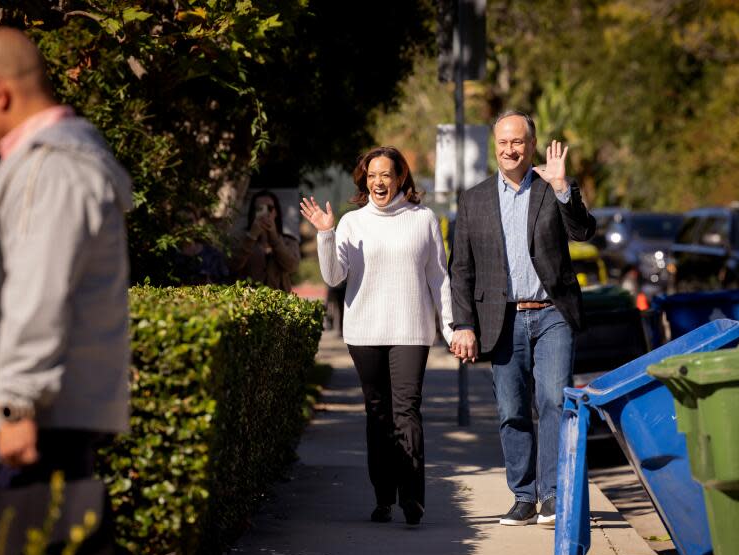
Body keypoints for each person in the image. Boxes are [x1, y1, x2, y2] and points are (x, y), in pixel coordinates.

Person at [0, 27, 132, 490]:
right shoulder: (50, 163)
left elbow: (38, 292)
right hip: (47, 416)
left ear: (0, 93)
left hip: (41, 422)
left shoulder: (52, 168)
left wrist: (17, 406)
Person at [449, 110, 596, 526]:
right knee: (511, 409)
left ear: (531, 145)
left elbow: (584, 232)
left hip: (552, 314)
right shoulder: (473, 199)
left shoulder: (552, 188)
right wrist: (463, 323)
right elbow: (460, 268)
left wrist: (563, 187)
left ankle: (551, 495)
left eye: (518, 142)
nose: (510, 149)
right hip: (502, 318)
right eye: (503, 142)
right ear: (493, 146)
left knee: (552, 401)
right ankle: (523, 495)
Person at [300, 146, 453, 525]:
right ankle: (383, 496)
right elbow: (334, 277)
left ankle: (412, 498)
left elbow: (439, 278)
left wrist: (451, 328)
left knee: (406, 411)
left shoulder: (423, 219)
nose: (378, 182)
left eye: (385, 174)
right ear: (364, 180)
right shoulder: (352, 222)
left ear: (401, 178)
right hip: (364, 330)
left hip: (411, 330)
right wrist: (325, 233)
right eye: (371, 176)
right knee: (378, 414)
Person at [229, 189, 300, 292]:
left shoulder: (288, 240)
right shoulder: (239, 238)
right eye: (259, 208)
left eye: (269, 208)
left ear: (275, 212)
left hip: (280, 301)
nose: (264, 213)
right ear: (253, 213)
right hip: (247, 300)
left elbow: (292, 267)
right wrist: (251, 237)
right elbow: (233, 265)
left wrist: (275, 239)